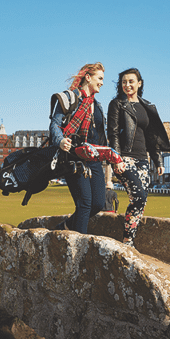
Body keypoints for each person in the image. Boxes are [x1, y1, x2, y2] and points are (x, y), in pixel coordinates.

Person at [49, 62, 119, 234]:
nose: (102, 82)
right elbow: (54, 125)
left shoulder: (99, 106)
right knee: (85, 203)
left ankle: (64, 227)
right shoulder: (68, 98)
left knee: (97, 203)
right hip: (73, 158)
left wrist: (111, 167)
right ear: (88, 77)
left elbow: (103, 142)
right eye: (100, 78)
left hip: (93, 160)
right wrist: (60, 140)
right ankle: (79, 247)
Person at [108, 68, 170, 247]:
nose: (127, 85)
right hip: (125, 158)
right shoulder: (117, 104)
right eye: (124, 82)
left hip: (143, 160)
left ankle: (130, 239)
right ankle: (127, 241)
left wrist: (157, 160)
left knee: (141, 200)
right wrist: (116, 159)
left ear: (139, 83)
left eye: (131, 81)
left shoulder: (147, 106)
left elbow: (152, 137)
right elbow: (112, 133)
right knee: (139, 196)